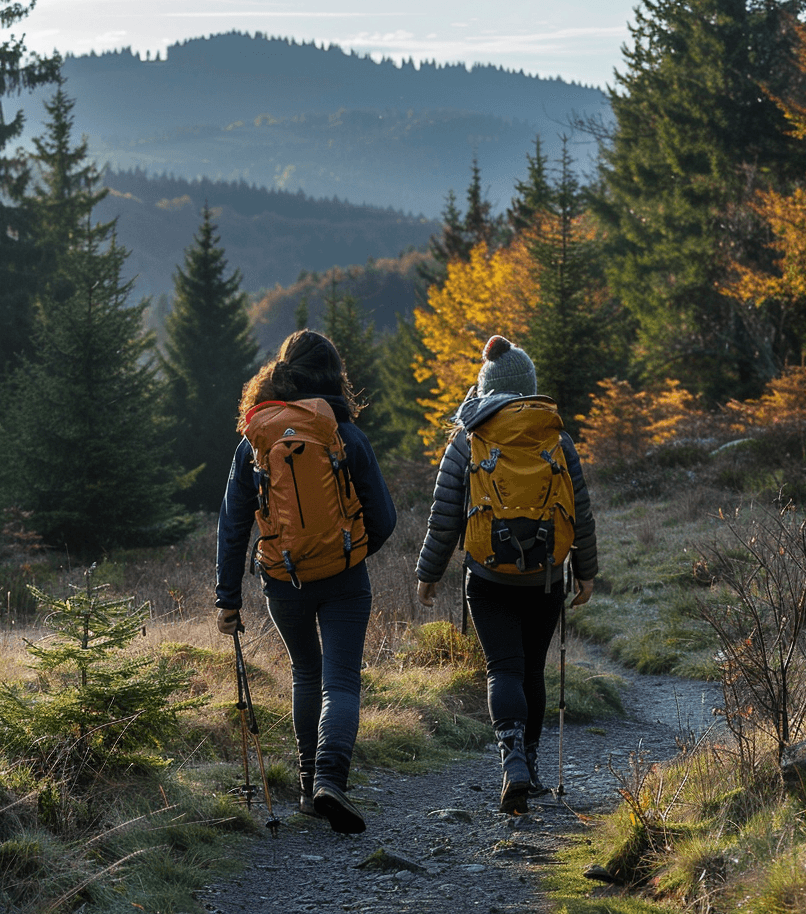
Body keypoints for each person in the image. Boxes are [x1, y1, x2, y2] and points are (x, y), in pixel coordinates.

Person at [215, 329, 397, 834]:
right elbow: (384, 519)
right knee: (340, 681)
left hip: (283, 580)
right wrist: (349, 553)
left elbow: (233, 524)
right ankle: (331, 781)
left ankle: (306, 784)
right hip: (344, 578)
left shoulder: (255, 440)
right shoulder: (343, 434)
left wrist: (228, 598)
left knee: (305, 674)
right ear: (334, 377)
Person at [415, 335, 597, 814]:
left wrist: (428, 574)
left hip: (488, 577)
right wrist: (587, 573)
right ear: (529, 388)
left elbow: (444, 517)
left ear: (485, 388)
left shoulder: (467, 439)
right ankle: (532, 767)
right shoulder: (558, 438)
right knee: (531, 671)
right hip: (546, 578)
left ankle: (512, 760)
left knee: (503, 669)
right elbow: (580, 511)